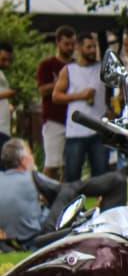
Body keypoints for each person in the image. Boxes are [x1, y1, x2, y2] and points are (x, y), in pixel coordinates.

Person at [0, 138, 128, 248]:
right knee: (109, 182)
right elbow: (65, 192)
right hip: (42, 238)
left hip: (23, 238)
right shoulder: (30, 177)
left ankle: (98, 209)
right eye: (31, 154)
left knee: (111, 183)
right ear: (24, 160)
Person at [53, 32, 110, 181]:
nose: (92, 50)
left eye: (94, 47)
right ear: (79, 48)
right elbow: (56, 96)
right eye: (89, 47)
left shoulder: (102, 69)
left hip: (98, 129)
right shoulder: (69, 70)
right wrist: (80, 95)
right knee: (72, 177)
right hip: (75, 131)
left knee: (101, 176)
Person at [36, 25, 77, 179]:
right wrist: (61, 83)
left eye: (73, 44)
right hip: (53, 120)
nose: (70, 47)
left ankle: (63, 197)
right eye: (66, 44)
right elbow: (42, 89)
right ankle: (44, 197)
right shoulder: (47, 65)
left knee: (69, 165)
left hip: (73, 121)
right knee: (52, 163)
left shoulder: (77, 65)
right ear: (57, 43)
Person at [0, 42, 15, 148]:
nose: (6, 64)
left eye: (9, 60)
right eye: (3, 59)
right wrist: (10, 92)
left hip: (3, 128)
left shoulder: (2, 73)